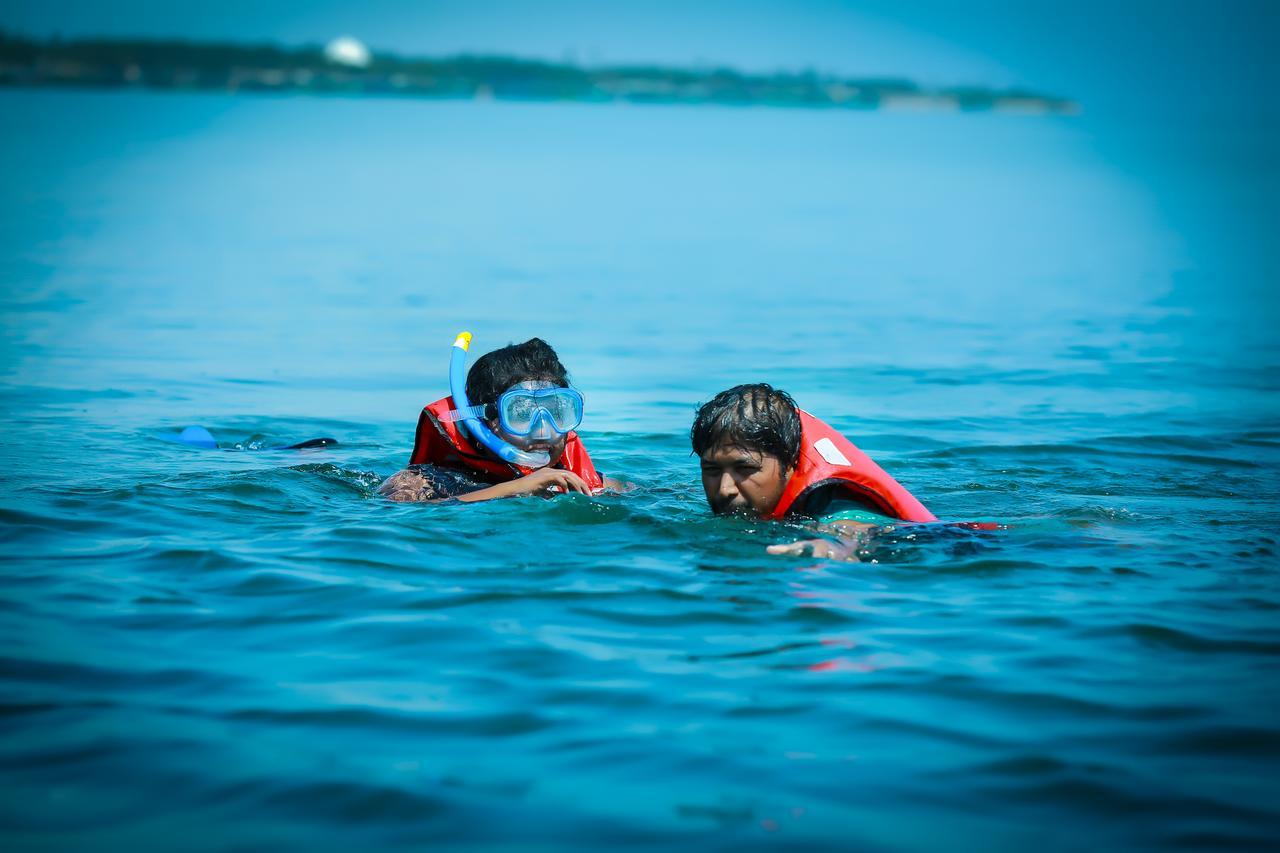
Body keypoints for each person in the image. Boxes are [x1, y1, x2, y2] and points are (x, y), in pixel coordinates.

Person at [690, 383, 937, 559]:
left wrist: (836, 547)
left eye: (745, 468)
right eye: (711, 469)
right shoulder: (745, 487)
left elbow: (858, 529)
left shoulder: (837, 504)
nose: (724, 489)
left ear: (790, 463)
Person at [380, 333, 622, 503]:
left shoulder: (587, 483)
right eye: (520, 414)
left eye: (557, 411)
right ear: (482, 422)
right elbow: (394, 511)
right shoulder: (420, 483)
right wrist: (514, 489)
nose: (542, 431)